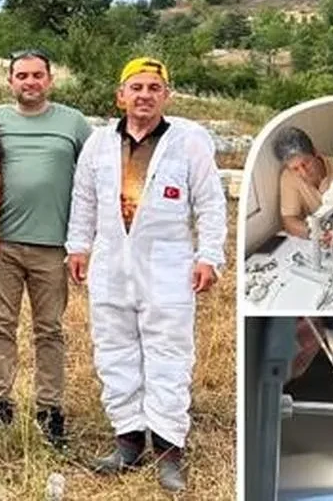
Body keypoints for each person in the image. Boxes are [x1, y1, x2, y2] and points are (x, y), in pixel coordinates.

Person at [65, 56, 227, 492]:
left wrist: (209, 255)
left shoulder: (188, 140)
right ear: (120, 95)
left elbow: (210, 201)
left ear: (166, 96)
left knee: (168, 353)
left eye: (154, 88)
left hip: (167, 262)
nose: (144, 95)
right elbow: (83, 200)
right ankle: (128, 439)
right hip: (112, 262)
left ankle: (170, 448)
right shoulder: (99, 144)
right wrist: (78, 247)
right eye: (136, 87)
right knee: (114, 349)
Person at [0, 49, 91, 449]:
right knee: (0, 324)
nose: (30, 82)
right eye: (22, 76)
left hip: (53, 246)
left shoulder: (73, 122)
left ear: (50, 79)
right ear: (10, 81)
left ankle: (50, 407)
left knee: (49, 329)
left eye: (37, 75)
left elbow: (95, 173)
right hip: (3, 243)